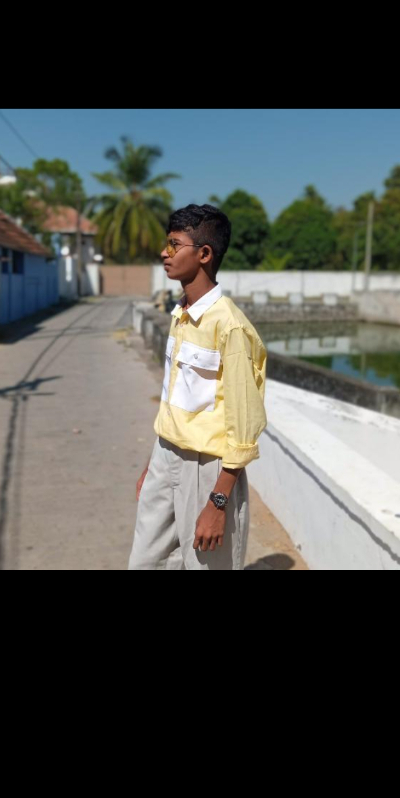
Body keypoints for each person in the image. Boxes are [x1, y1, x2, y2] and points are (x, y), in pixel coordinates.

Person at [128, 203, 268, 570]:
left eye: (174, 245)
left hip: (208, 469)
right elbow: (173, 400)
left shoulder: (231, 327)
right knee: (146, 561)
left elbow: (244, 426)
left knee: (206, 565)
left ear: (204, 254)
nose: (164, 253)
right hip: (166, 456)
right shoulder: (180, 315)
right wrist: (153, 464)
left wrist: (218, 502)